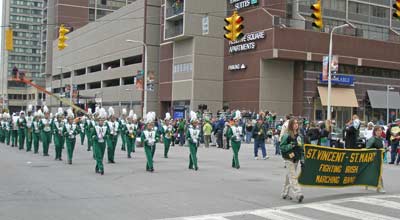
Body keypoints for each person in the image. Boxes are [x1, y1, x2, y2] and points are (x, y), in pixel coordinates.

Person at [280, 118, 304, 203]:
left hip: (296, 159)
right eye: (294, 123)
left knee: (289, 176)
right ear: (291, 125)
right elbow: (282, 147)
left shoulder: (299, 136)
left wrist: (302, 159)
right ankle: (298, 194)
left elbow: (301, 148)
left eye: (297, 123)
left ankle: (284, 193)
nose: (296, 125)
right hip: (288, 159)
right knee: (293, 176)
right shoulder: (286, 135)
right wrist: (291, 145)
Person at [366, 125, 386, 193]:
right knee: (379, 173)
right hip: (374, 159)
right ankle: (380, 187)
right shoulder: (372, 139)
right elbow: (367, 148)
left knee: (377, 172)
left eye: (380, 130)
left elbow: (383, 148)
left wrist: (386, 149)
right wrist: (374, 150)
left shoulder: (382, 139)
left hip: (381, 158)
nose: (379, 132)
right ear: (375, 131)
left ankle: (368, 183)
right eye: (378, 130)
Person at [93, 108, 109, 175]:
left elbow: (107, 135)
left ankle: (97, 167)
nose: (101, 122)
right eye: (100, 121)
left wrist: (104, 137)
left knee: (101, 157)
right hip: (97, 143)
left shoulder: (105, 127)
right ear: (98, 121)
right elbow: (92, 136)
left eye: (102, 121)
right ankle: (101, 169)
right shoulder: (95, 127)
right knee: (99, 156)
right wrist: (97, 137)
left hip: (103, 143)